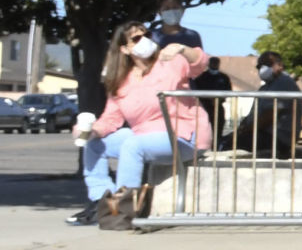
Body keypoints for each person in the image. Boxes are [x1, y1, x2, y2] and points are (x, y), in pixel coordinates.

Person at [66, 22, 211, 227]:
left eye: (147, 35)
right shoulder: (121, 81)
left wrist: (182, 49)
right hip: (144, 135)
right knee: (95, 145)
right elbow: (110, 119)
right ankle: (102, 201)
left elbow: (201, 63)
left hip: (184, 136)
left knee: (132, 146)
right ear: (124, 49)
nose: (144, 40)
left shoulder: (169, 62)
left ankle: (126, 210)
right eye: (136, 38)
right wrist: (89, 131)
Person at [188, 55, 233, 145]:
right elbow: (197, 91)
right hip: (205, 107)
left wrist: (219, 99)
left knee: (218, 127)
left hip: (218, 106)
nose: (214, 65)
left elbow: (228, 91)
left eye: (216, 63)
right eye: (213, 63)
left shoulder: (224, 77)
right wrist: (208, 98)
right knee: (205, 127)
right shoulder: (202, 77)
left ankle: (217, 145)